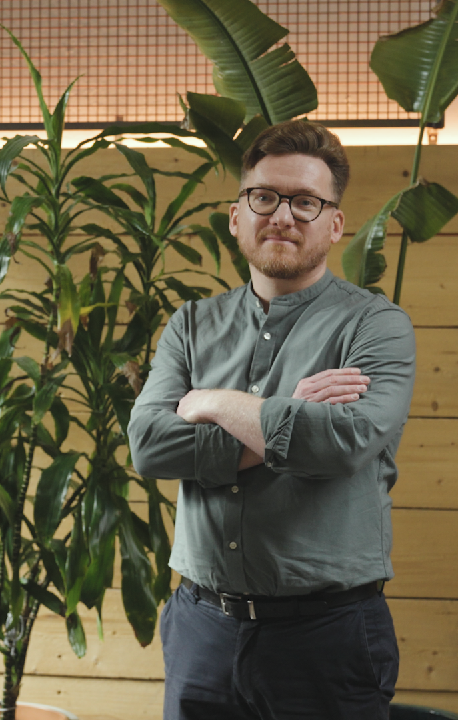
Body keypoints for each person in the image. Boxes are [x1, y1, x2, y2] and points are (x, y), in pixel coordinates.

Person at [127, 120, 416, 719]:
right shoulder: (190, 324)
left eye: (306, 201)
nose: (282, 215)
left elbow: (344, 441)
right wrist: (289, 421)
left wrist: (212, 402)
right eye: (265, 197)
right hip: (201, 627)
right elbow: (150, 445)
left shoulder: (375, 326)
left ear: (333, 225)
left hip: (327, 635)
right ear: (237, 215)